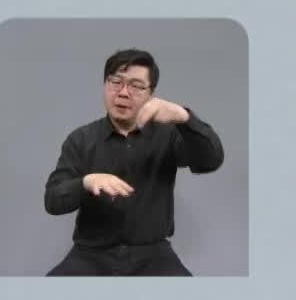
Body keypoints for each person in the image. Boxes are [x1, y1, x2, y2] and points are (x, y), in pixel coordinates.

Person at [42, 48, 225, 275]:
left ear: (151, 94)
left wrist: (184, 117)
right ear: (105, 85)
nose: (123, 93)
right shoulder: (80, 139)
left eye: (137, 86)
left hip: (154, 255)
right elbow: (52, 201)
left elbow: (211, 161)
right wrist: (86, 182)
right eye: (115, 82)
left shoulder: (168, 135)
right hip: (90, 255)